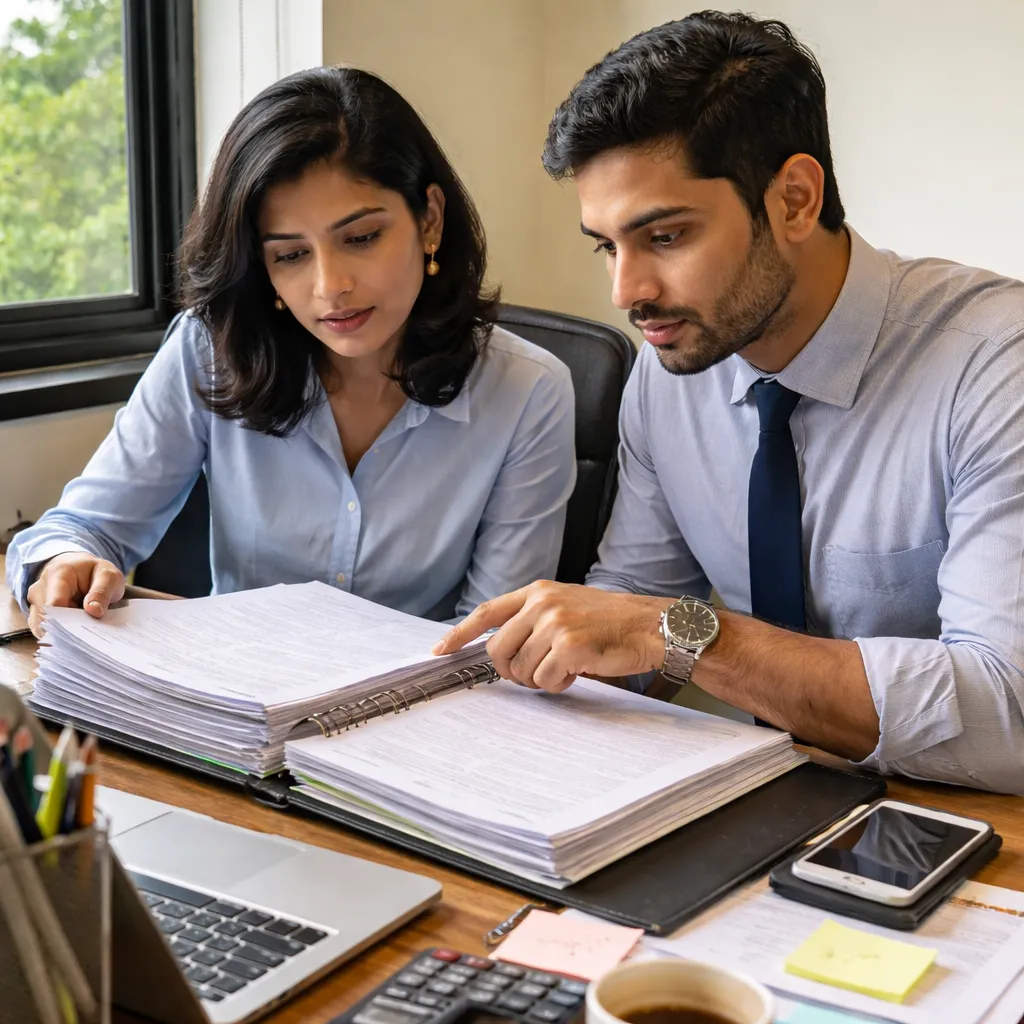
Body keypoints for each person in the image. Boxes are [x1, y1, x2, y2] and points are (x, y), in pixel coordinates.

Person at [435, 12, 1024, 793]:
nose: (627, 293)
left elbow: (1007, 712)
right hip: (768, 808)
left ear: (795, 200)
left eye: (666, 237)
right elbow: (628, 623)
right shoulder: (671, 362)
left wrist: (681, 635)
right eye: (607, 245)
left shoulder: (995, 365)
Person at [8, 67, 575, 633]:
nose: (330, 287)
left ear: (430, 218)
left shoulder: (528, 391)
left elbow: (493, 639)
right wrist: (65, 561)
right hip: (233, 706)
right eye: (291, 255)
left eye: (361, 238)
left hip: (424, 712)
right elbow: (83, 526)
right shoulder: (210, 349)